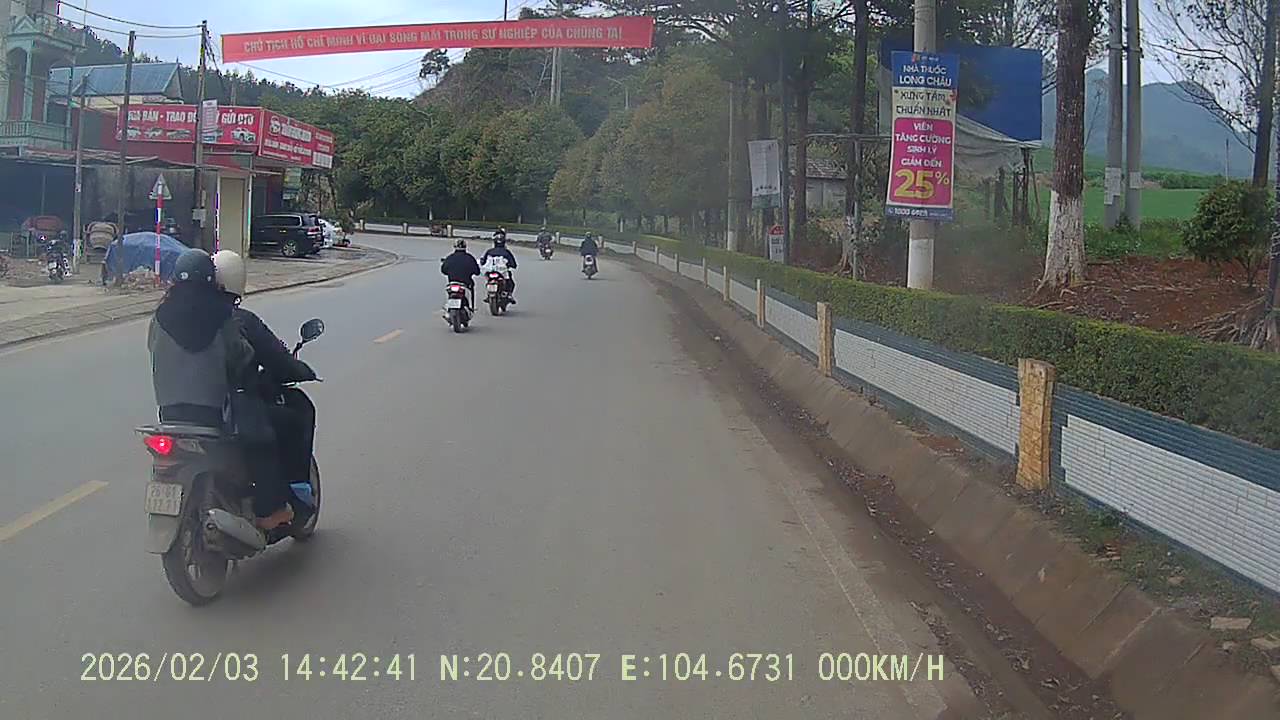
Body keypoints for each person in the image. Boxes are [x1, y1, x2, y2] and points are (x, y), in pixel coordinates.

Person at [212, 250, 317, 529]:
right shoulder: (238, 320)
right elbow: (276, 358)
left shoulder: (178, 320)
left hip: (182, 412)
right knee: (290, 420)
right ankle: (288, 498)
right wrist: (301, 371)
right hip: (230, 410)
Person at [441, 238, 482, 309]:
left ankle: (448, 307)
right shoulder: (470, 258)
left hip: (452, 282)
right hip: (466, 283)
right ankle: (471, 307)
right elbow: (477, 272)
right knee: (471, 288)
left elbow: (443, 270)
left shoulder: (449, 257)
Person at [481, 234, 518, 304]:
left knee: (488, 279)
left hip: (491, 272)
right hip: (501, 272)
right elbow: (513, 264)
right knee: (510, 282)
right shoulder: (506, 252)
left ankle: (489, 294)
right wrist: (511, 265)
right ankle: (509, 294)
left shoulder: (489, 251)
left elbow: (483, 262)